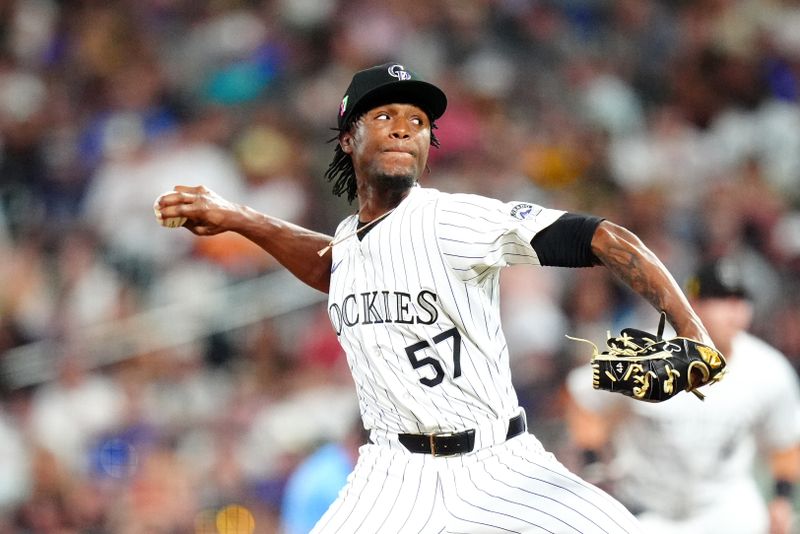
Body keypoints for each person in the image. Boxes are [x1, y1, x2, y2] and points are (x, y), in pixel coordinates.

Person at [155, 62, 718, 533]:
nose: (404, 129)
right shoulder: (352, 242)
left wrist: (693, 334)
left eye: (418, 121)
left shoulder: (453, 219)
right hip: (391, 475)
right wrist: (238, 217)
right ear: (348, 138)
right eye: (384, 116)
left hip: (499, 465)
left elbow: (604, 236)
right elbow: (332, 265)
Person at [565, 259, 800, 534]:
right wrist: (593, 464)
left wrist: (782, 500)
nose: (734, 310)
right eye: (720, 299)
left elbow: (785, 443)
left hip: (725, 506)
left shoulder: (766, 369)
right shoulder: (645, 357)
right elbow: (582, 398)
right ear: (693, 304)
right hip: (647, 507)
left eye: (741, 299)